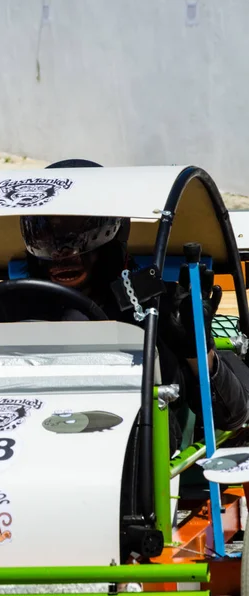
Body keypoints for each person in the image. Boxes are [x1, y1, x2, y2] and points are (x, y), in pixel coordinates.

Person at [20, 159, 249, 455]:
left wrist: (198, 351)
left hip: (132, 462)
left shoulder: (158, 304)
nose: (63, 251)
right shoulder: (9, 307)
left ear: (115, 232)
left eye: (81, 235)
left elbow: (232, 415)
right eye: (46, 236)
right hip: (27, 451)